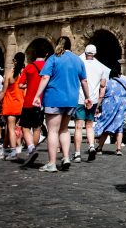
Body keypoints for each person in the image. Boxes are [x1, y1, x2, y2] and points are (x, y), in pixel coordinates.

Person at [33, 36, 90, 173]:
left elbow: (45, 77)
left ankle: (52, 163)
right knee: (64, 130)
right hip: (71, 100)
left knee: (52, 131)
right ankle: (65, 158)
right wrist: (88, 97)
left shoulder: (53, 58)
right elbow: (84, 81)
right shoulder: (78, 60)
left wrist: (37, 95)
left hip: (54, 98)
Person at [73, 44, 110, 163]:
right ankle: (92, 146)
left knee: (78, 126)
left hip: (80, 97)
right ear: (95, 53)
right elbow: (103, 85)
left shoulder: (79, 63)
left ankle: (77, 154)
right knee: (89, 125)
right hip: (93, 99)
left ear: (85, 52)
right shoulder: (101, 67)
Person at [16, 50, 47, 166]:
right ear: (46, 54)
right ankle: (32, 151)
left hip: (29, 101)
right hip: (42, 102)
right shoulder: (48, 66)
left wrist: (30, 84)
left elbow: (20, 85)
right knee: (37, 128)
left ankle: (31, 149)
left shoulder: (29, 67)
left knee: (25, 127)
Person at [0, 52, 26, 160]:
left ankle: (13, 151)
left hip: (10, 104)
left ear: (15, 61)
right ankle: (3, 150)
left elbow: (3, 92)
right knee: (10, 128)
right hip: (21, 104)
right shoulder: (24, 74)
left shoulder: (9, 74)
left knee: (11, 129)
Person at [94, 70, 126, 155]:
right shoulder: (125, 83)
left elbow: (101, 95)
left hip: (109, 105)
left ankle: (99, 148)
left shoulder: (107, 83)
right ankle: (118, 149)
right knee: (119, 126)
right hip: (121, 105)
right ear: (119, 74)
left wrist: (97, 106)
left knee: (106, 124)